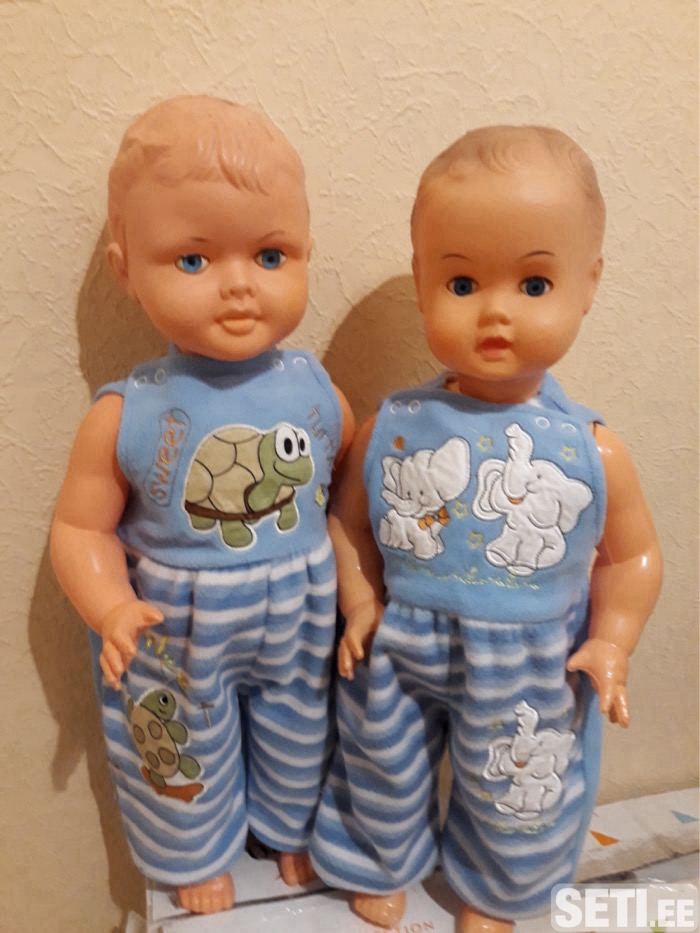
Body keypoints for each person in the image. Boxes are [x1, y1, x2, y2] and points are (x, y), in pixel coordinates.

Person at [310, 125, 662, 932]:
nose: (496, 311)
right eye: (462, 281)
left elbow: (634, 555)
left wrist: (613, 640)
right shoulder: (393, 425)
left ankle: (496, 892)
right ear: (422, 281)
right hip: (403, 636)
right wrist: (360, 602)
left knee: (519, 790)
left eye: (534, 283)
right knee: (379, 758)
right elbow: (351, 524)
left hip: (529, 657)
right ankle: (376, 855)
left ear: (588, 284)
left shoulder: (590, 448)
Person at [51, 95, 353, 915]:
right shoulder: (129, 410)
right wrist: (110, 605)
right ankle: (193, 851)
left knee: (304, 722)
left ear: (306, 251)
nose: (238, 286)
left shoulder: (315, 389)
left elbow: (348, 479)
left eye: (271, 254)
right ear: (126, 269)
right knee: (173, 738)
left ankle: (292, 828)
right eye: (193, 260)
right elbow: (80, 526)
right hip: (175, 623)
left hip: (300, 608)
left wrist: (357, 577)